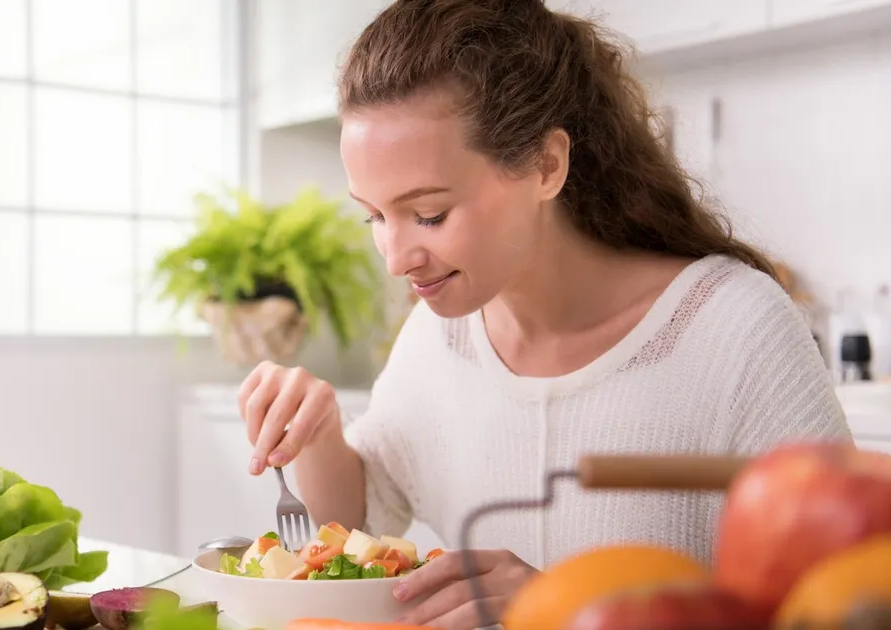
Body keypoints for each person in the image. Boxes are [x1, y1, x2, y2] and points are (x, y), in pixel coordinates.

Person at [236, 0, 853, 627]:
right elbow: (363, 518)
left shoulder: (734, 328)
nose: (395, 259)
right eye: (374, 216)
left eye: (428, 215)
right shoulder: (440, 334)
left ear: (545, 165)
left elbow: (844, 607)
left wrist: (564, 608)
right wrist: (317, 438)